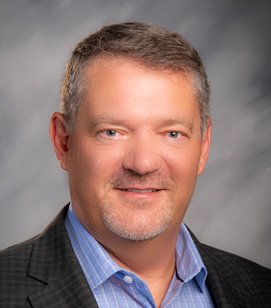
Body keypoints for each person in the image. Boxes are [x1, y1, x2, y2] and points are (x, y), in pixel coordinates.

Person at [0, 22, 270, 308]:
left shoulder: (261, 290)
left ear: (203, 146)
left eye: (172, 134)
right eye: (112, 132)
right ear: (63, 141)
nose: (143, 164)